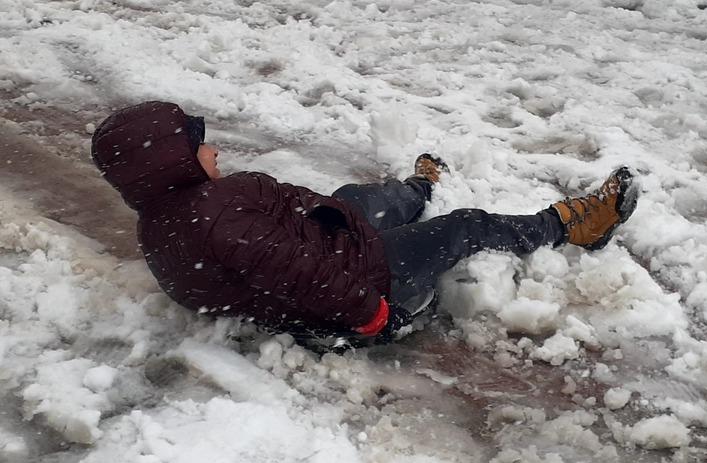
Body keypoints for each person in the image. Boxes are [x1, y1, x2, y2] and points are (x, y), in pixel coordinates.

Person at [91, 101, 638, 348]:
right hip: (364, 283)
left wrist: (327, 219)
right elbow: (299, 273)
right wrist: (370, 314)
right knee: (461, 226)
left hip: (332, 244)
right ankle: (572, 225)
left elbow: (268, 253)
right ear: (168, 163)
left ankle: (418, 187)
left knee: (354, 198)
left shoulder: (170, 219)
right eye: (200, 146)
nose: (213, 150)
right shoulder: (213, 221)